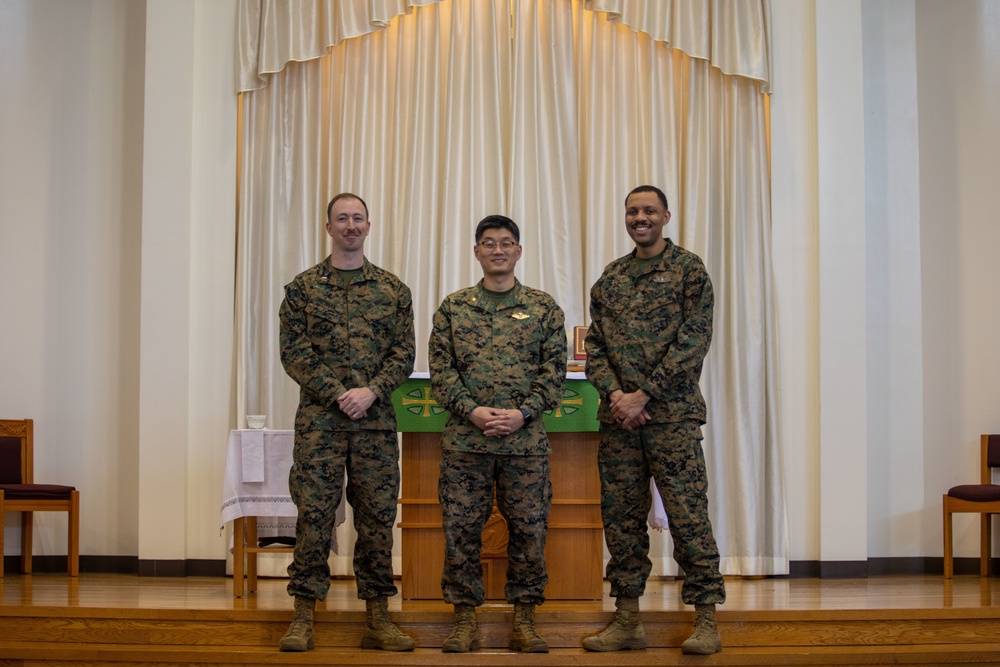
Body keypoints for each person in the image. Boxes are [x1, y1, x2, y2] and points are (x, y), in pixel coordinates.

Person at [582, 185, 726, 655]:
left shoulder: (689, 270)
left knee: (688, 517)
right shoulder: (611, 278)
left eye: (648, 210)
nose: (639, 217)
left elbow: (694, 341)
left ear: (666, 215)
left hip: (673, 418)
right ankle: (627, 621)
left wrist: (644, 394)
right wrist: (619, 397)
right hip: (620, 423)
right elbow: (595, 349)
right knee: (621, 521)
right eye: (632, 211)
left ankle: (706, 620)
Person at [277, 193, 415, 653]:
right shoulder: (302, 289)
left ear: (369, 226)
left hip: (375, 424)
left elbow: (403, 354)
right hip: (321, 423)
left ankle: (378, 618)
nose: (350, 225)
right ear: (329, 226)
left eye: (358, 218)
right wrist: (338, 393)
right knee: (314, 516)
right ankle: (303, 616)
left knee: (377, 520)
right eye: (342, 218)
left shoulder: (393, 291)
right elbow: (293, 353)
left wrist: (371, 391)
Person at [428, 215, 566, 654]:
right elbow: (441, 372)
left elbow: (554, 373)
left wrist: (523, 413)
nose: (498, 250)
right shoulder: (454, 307)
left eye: (507, 243)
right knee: (460, 531)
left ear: (519, 251)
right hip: (466, 444)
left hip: (524, 446)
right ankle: (464, 621)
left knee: (529, 531)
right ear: (476, 252)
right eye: (489, 243)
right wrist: (471, 410)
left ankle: (524, 621)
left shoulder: (544, 308)